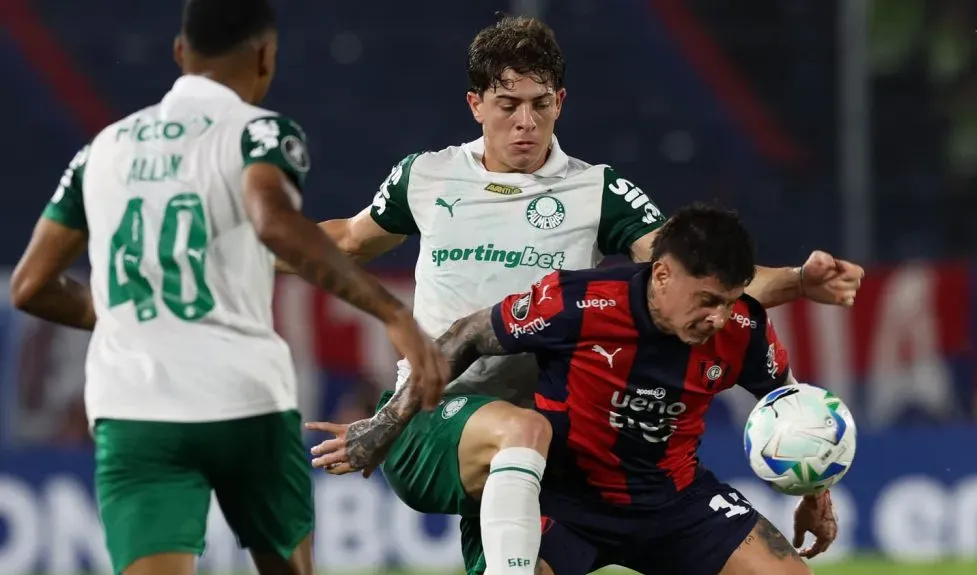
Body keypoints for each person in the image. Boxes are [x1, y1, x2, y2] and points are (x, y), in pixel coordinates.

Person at [303, 15, 860, 575]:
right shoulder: (427, 176)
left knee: (523, 439)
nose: (526, 122)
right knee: (521, 436)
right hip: (437, 409)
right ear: (475, 104)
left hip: (536, 448)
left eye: (540, 104)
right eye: (507, 104)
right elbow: (348, 240)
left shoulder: (597, 191)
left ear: (561, 102)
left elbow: (701, 275)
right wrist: (256, 237)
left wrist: (797, 280)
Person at [8, 1, 447, 574]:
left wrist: (124, 316)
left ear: (179, 53)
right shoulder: (261, 133)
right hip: (243, 403)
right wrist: (392, 313)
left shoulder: (101, 152)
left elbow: (30, 285)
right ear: (267, 55)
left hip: (135, 408)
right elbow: (274, 223)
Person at [323, 204, 836, 575]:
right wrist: (390, 422)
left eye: (728, 300)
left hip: (672, 502)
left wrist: (816, 494)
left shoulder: (741, 328)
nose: (718, 316)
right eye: (706, 300)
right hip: (564, 500)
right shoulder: (579, 302)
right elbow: (466, 335)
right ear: (661, 275)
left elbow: (792, 411)